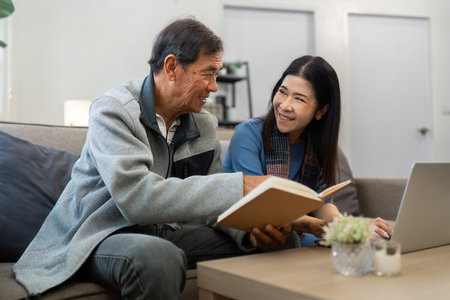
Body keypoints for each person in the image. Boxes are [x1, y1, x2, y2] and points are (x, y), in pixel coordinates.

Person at [13, 18, 299, 300]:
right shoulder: (114, 110)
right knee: (157, 256)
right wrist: (241, 185)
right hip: (99, 235)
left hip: (167, 233)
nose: (214, 86)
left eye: (217, 73)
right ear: (172, 67)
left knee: (284, 240)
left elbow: (214, 206)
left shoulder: (204, 125)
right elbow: (136, 198)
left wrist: (248, 233)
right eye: (208, 73)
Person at [223, 55, 392, 246]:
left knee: (349, 246)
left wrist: (352, 227)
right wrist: (319, 226)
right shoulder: (247, 134)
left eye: (299, 99)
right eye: (283, 92)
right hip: (253, 230)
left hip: (296, 230)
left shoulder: (318, 144)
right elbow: (260, 206)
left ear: (321, 111)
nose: (285, 105)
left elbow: (322, 204)